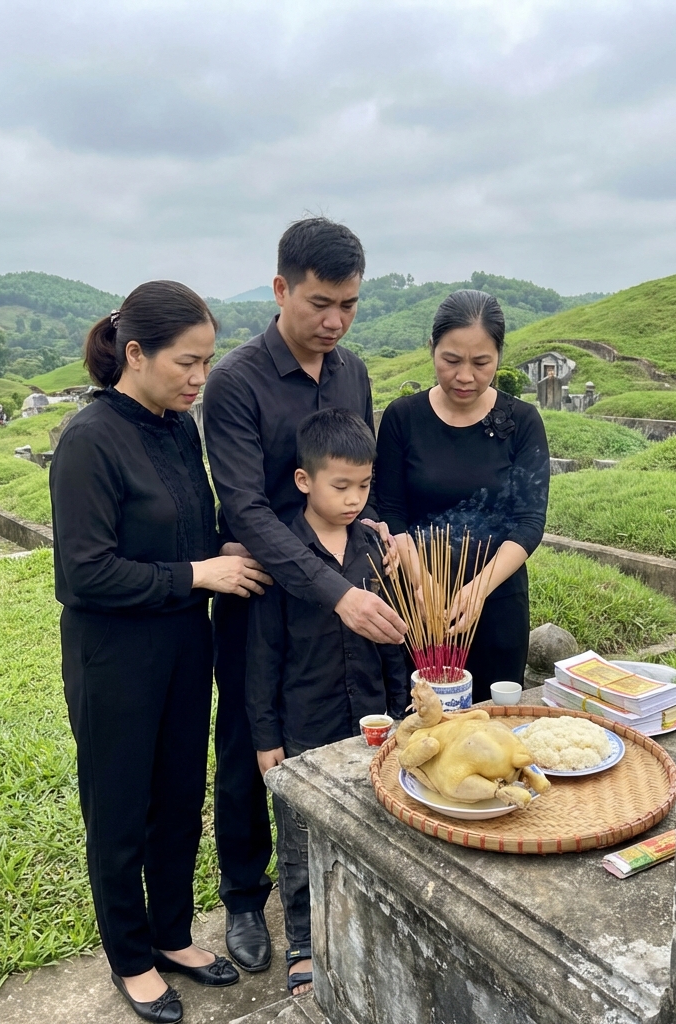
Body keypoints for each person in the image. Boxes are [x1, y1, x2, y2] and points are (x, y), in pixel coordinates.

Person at [51, 281, 272, 1024]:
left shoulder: (179, 428)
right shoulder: (88, 440)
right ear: (135, 353)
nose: (198, 380)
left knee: (180, 797)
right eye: (186, 363)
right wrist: (197, 574)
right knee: (120, 806)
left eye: (206, 363)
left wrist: (227, 550)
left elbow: (191, 528)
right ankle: (130, 956)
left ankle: (172, 933)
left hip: (184, 643)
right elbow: (83, 573)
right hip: (114, 657)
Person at [203, 217, 406, 974]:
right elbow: (247, 507)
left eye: (349, 305)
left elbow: (356, 473)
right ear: (280, 288)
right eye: (320, 302)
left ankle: (336, 879)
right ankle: (245, 900)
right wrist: (333, 594)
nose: (334, 321)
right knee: (252, 748)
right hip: (262, 592)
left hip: (339, 582)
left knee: (349, 728)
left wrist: (381, 531)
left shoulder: (351, 370)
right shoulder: (235, 382)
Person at [245, 408, 409, 996]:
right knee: (298, 834)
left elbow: (392, 637)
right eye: (341, 486)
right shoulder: (284, 552)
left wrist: (403, 706)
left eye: (363, 486)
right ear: (303, 480)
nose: (353, 499)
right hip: (303, 720)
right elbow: (261, 657)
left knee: (371, 816)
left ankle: (366, 916)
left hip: (370, 715)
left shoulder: (373, 546)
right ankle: (304, 941)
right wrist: (266, 736)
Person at [375, 289, 550, 703]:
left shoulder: (522, 422)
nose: (465, 376)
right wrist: (424, 583)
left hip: (496, 604)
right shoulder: (403, 418)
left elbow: (529, 521)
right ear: (432, 348)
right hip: (417, 604)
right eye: (451, 360)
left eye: (481, 362)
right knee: (420, 728)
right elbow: (392, 512)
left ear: (499, 357)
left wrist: (478, 589)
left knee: (492, 732)